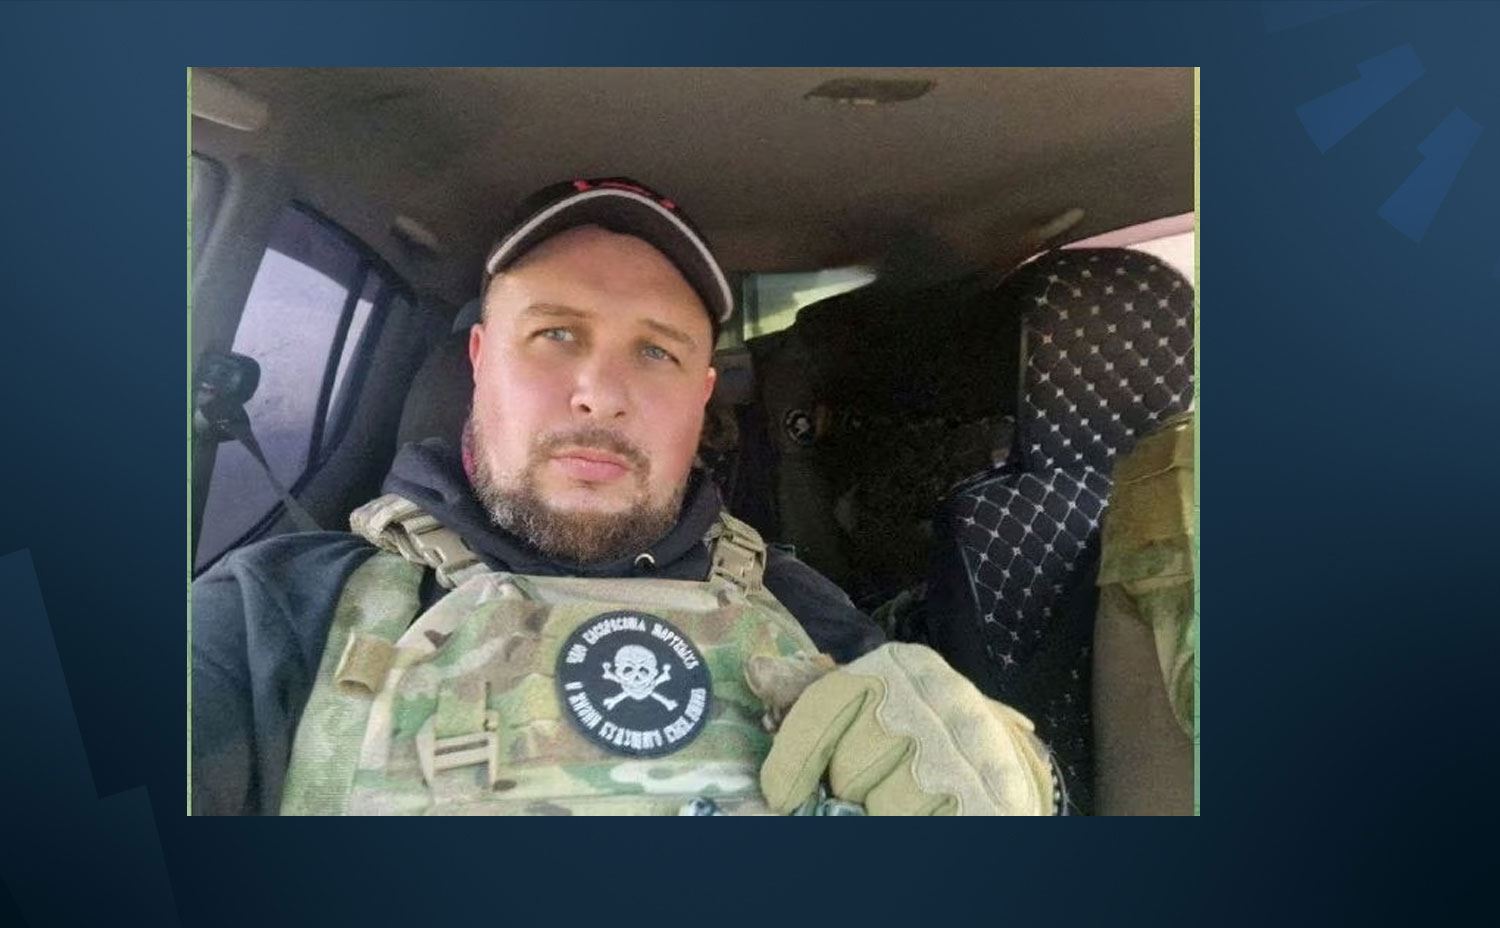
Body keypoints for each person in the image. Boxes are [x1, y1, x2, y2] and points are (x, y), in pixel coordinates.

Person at [192, 177, 1061, 816]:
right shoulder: (280, 608)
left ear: (702, 397)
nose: (601, 395)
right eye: (555, 333)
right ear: (480, 361)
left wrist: (1020, 779)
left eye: (656, 352)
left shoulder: (800, 606)